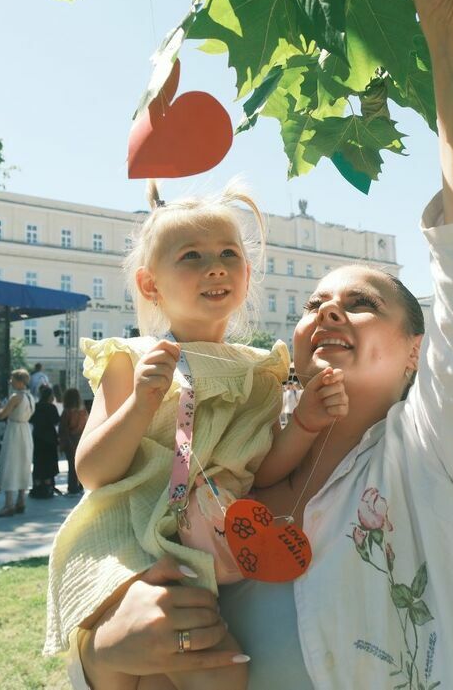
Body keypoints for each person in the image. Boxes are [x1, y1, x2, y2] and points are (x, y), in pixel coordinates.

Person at [72, 0, 453, 690]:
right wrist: (99, 659)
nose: (329, 311)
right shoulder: (235, 456)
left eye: (362, 302)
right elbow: (120, 548)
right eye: (315, 302)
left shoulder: (438, 461)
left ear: (416, 351)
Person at [47, 177, 333, 690]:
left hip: (200, 553)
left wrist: (305, 424)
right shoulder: (129, 359)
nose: (215, 266)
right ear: (150, 284)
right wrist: (141, 402)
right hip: (128, 540)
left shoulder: (261, 371)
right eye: (191, 256)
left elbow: (258, 470)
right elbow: (92, 472)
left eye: (228, 252)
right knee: (213, 668)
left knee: (186, 671)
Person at [0, 368, 35, 517]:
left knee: (10, 464)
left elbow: (1, 414)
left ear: (19, 381)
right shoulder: (30, 396)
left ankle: (9, 504)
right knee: (23, 464)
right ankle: (21, 501)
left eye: (12, 379)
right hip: (25, 431)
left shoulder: (15, 396)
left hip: (14, 431)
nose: (10, 381)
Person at [31, 385, 61, 499]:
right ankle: (48, 485)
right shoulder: (51, 407)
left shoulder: (36, 406)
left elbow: (31, 419)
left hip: (38, 437)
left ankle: (37, 485)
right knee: (48, 463)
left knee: (38, 462)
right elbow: (56, 421)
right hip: (49, 438)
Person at [59, 388, 88, 496]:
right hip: (81, 439)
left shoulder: (67, 412)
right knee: (80, 465)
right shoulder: (83, 411)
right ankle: (80, 485)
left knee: (71, 465)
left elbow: (63, 428)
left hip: (70, 440)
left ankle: (72, 487)